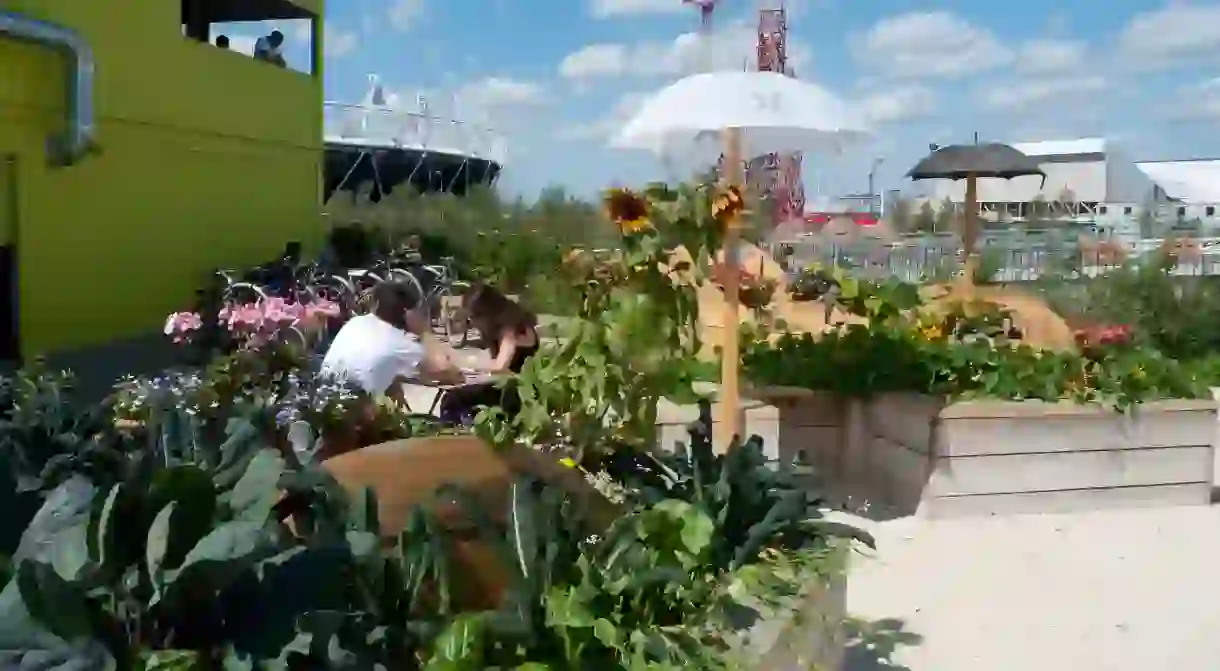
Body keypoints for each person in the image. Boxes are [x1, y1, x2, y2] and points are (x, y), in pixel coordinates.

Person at [320, 280, 463, 404]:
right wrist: (424, 331)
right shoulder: (401, 344)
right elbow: (447, 371)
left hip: (321, 403)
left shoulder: (356, 322)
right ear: (408, 313)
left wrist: (392, 383)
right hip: (352, 418)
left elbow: (369, 364)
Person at [437, 282, 539, 425]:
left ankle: (452, 437)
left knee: (453, 399)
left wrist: (466, 363)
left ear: (487, 314)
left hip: (519, 391)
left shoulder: (510, 329)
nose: (471, 322)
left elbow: (500, 365)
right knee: (461, 394)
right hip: (511, 386)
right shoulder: (506, 325)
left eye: (473, 317)